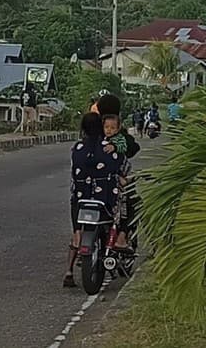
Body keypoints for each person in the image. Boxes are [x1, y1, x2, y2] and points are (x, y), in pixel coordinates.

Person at [64, 112, 122, 287]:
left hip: (80, 200)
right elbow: (123, 168)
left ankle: (68, 271)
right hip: (105, 200)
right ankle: (117, 244)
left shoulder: (77, 149)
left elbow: (74, 174)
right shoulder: (110, 149)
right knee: (117, 219)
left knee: (77, 235)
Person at [98, 99, 140, 250]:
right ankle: (122, 237)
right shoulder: (120, 134)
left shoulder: (94, 132)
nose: (109, 129)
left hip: (93, 183)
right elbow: (134, 148)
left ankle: (78, 238)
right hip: (117, 182)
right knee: (133, 202)